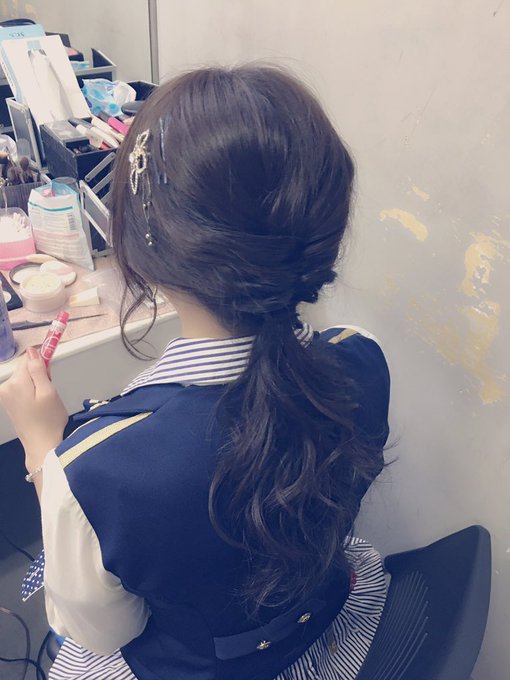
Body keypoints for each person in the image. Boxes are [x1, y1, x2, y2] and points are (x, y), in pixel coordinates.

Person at [0, 65, 390, 680]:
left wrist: (45, 453)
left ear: (142, 247)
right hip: (324, 616)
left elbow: (103, 632)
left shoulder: (97, 471)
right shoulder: (362, 357)